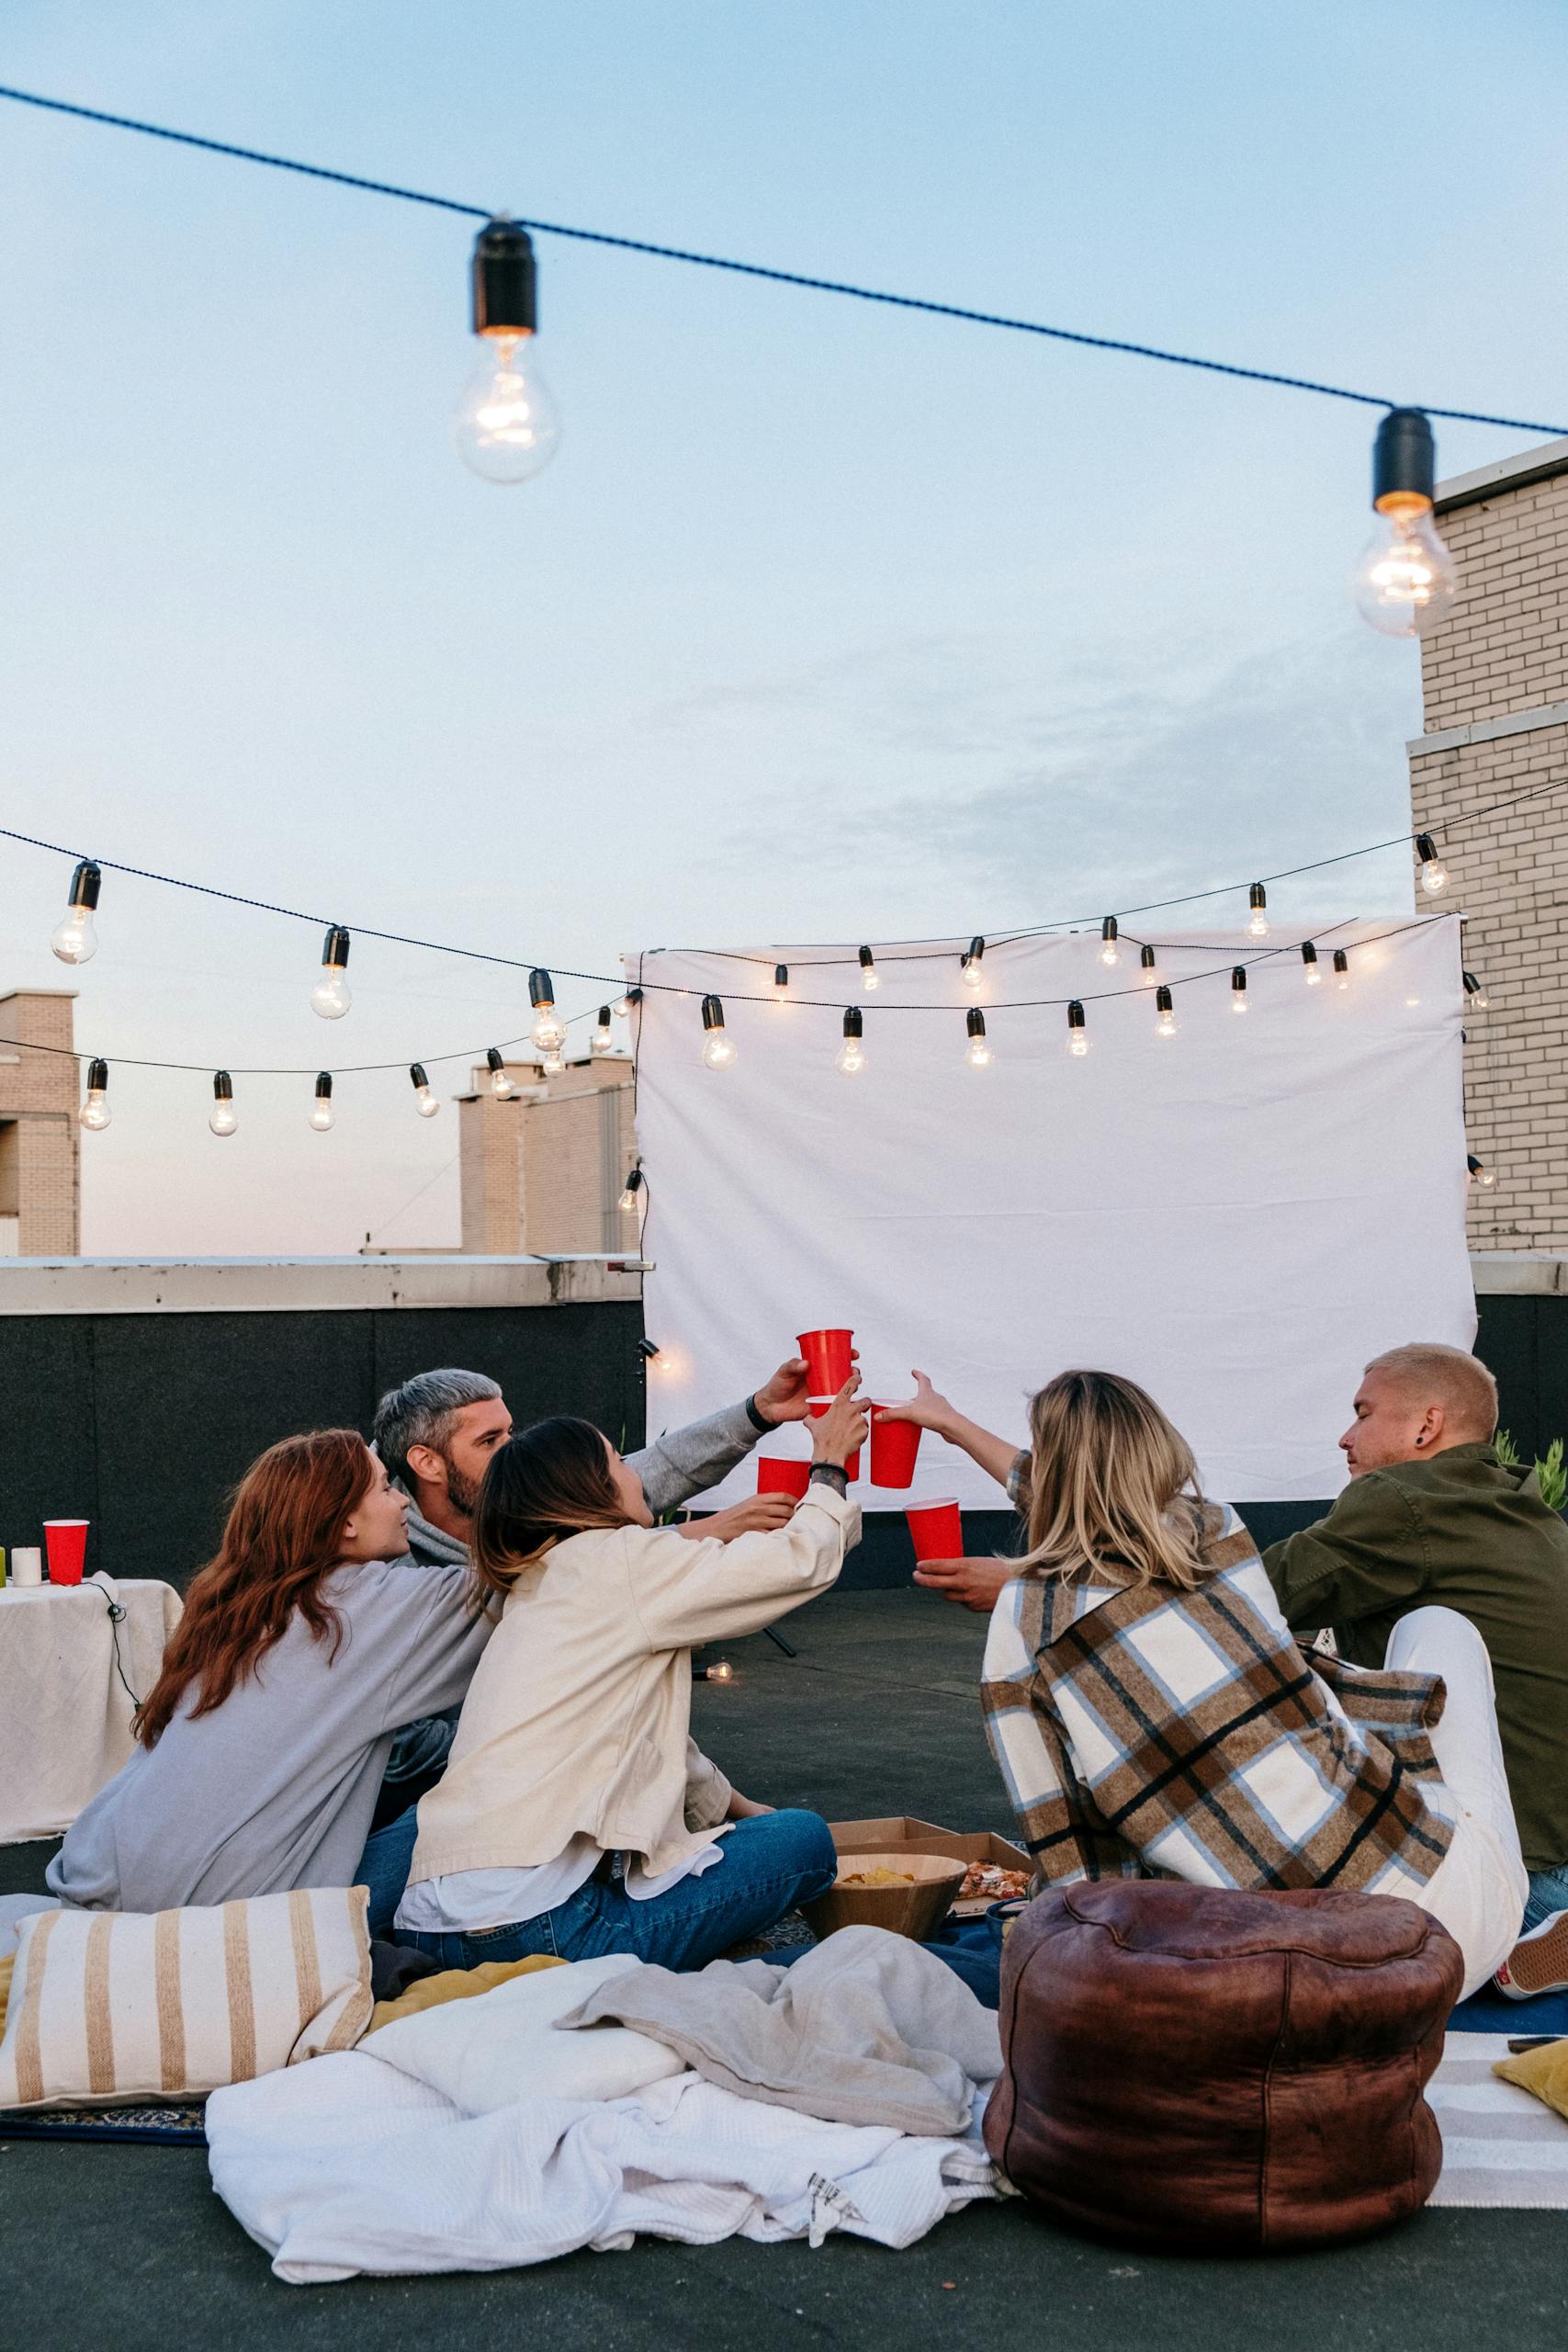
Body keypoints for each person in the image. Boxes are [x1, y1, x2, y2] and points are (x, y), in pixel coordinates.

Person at [897, 1367, 1527, 2000]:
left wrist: (1015, 1576)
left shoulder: (1024, 1623)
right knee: (1437, 1627)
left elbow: (1067, 1837)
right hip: (1448, 1926)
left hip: (1312, 1987)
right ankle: (1515, 1923)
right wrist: (949, 1424)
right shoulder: (1217, 1530)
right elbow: (1086, 1500)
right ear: (1161, 1454)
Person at [392, 1381, 869, 1972]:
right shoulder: (616, 1562)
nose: (636, 1476)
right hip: (533, 1928)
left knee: (757, 1836)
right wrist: (829, 1467)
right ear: (589, 1489)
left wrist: (737, 1808)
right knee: (803, 1842)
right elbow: (800, 1562)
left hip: (430, 1927)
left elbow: (641, 1736)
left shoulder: (540, 1579)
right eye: (619, 1463)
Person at [49, 1431, 486, 1931]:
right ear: (344, 1522)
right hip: (236, 1917)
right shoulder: (362, 1608)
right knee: (467, 1805)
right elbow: (519, 1584)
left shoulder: (234, 1611)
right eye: (386, 1488)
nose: (403, 1499)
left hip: (97, 1885)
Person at [368, 1358, 829, 1818]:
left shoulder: (534, 1514)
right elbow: (402, 1748)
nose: (514, 1450)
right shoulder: (390, 1572)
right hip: (447, 1811)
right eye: (490, 1441)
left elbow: (647, 1477)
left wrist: (756, 1413)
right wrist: (552, 1742)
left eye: (511, 1433)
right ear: (426, 1462)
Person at [1258, 1342, 1568, 1996]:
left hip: (1510, 1870)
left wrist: (1047, 1580)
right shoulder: (1522, 1510)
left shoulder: (1404, 1499)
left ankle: (1498, 1935)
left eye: (1362, 1413)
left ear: (1425, 1426)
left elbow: (1248, 1599)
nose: (1345, 1436)